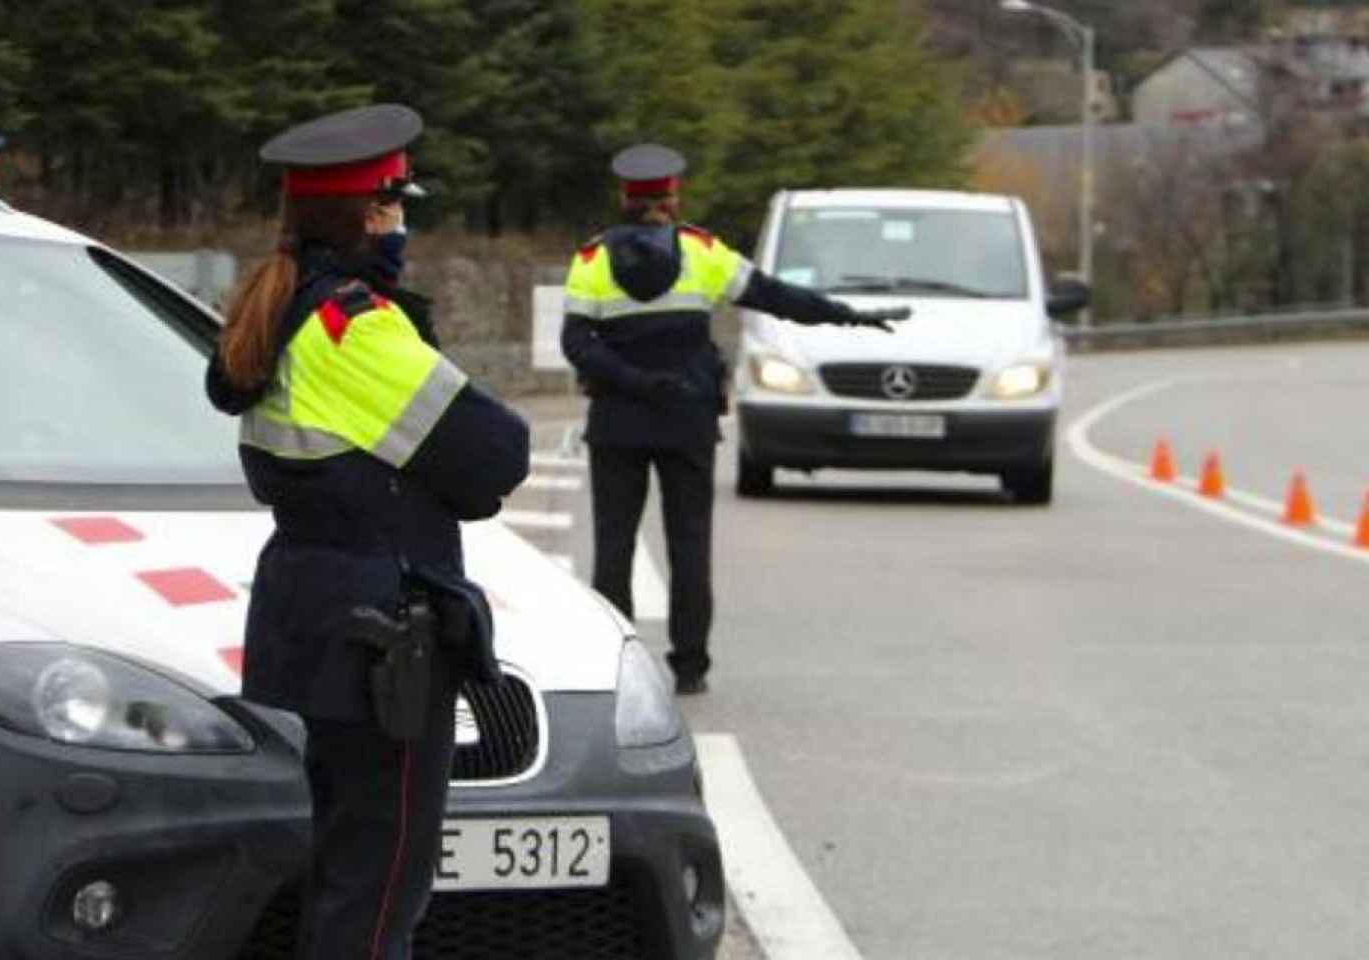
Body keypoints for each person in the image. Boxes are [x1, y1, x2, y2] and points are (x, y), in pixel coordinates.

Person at [204, 103, 529, 960]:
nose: (403, 223)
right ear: (372, 213)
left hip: (323, 620)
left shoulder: (278, 312)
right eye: (396, 205)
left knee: (351, 878)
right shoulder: (355, 329)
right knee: (383, 897)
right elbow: (498, 453)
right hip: (383, 641)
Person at [560, 143, 906, 696]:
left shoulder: (591, 260)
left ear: (625, 198)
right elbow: (774, 296)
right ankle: (690, 666)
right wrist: (847, 316)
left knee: (614, 547)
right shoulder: (703, 252)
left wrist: (633, 382)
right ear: (673, 197)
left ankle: (615, 665)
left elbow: (576, 342)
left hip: (618, 423)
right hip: (688, 420)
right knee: (690, 545)